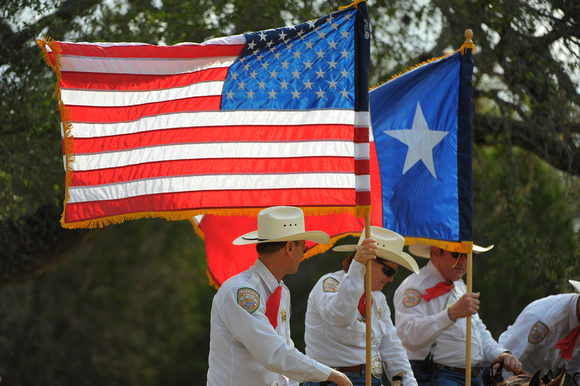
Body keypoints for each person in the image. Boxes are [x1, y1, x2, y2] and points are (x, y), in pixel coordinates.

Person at [207, 206, 353, 386]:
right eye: (304, 247)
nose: (303, 254)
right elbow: (273, 353)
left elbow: (284, 348)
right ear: (290, 247)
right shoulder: (239, 291)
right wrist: (333, 375)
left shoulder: (281, 291)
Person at [303, 226, 420, 386]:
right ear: (367, 261)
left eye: (394, 272)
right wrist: (357, 267)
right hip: (333, 381)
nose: (391, 279)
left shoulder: (378, 298)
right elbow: (340, 317)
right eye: (388, 271)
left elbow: (391, 346)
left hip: (371, 380)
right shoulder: (329, 285)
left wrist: (409, 383)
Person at [393, 243, 522, 386]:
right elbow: (406, 336)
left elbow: (477, 330)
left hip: (472, 377)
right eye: (456, 254)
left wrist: (499, 353)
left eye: (469, 256)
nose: (463, 261)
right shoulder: (415, 286)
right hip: (436, 376)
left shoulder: (460, 285)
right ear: (435, 252)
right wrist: (451, 314)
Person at [497, 279, 580, 384]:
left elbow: (577, 365)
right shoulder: (545, 319)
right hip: (508, 377)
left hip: (538, 379)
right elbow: (508, 358)